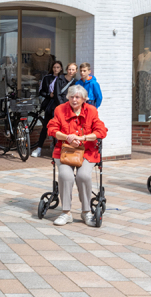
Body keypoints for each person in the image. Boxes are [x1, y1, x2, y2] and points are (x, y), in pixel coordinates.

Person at [47, 85, 108, 227]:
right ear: (68, 97)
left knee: (84, 176)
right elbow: (52, 128)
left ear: (84, 99)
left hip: (87, 151)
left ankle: (86, 212)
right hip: (65, 151)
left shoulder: (91, 111)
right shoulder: (60, 109)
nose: (74, 100)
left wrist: (83, 138)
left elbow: (101, 131)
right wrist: (67, 137)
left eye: (77, 97)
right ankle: (66, 213)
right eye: (72, 97)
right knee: (65, 175)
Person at [31, 61, 63, 157]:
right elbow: (41, 91)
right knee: (46, 126)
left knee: (59, 127)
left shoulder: (63, 78)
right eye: (54, 67)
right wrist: (49, 95)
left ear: (61, 68)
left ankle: (56, 147)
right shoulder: (47, 78)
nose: (56, 69)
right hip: (50, 105)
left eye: (58, 67)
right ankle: (39, 148)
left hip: (60, 106)